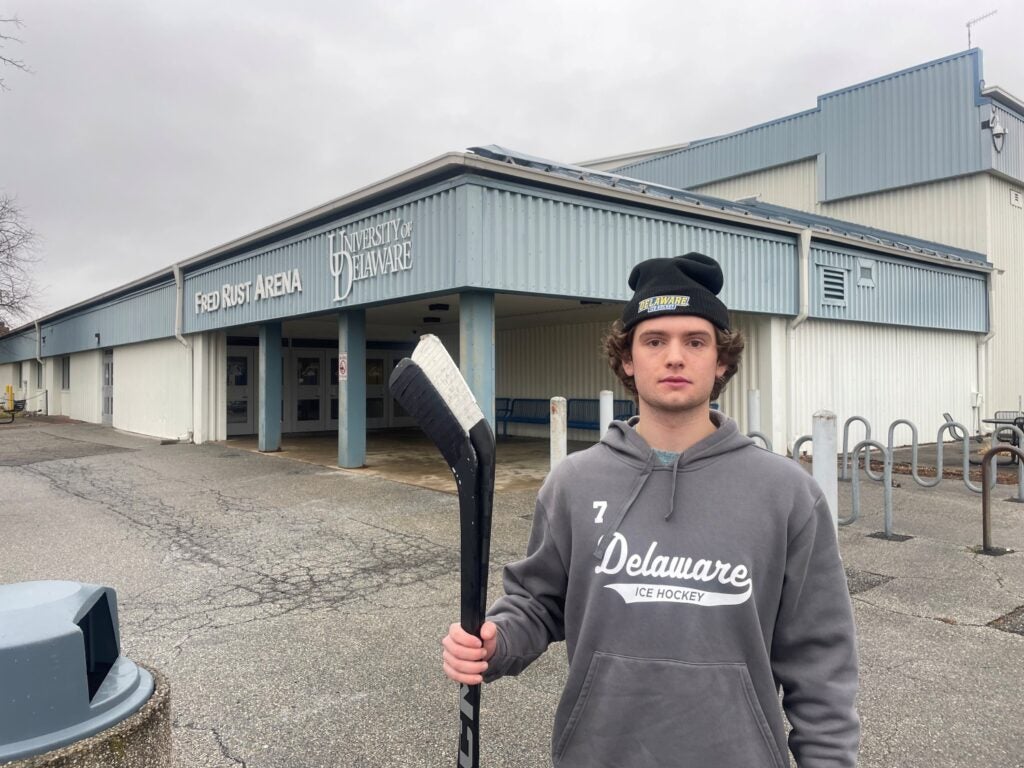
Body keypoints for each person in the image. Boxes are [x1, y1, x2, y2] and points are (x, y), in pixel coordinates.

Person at [442, 253, 860, 767]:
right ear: (627, 360)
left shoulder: (787, 494)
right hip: (599, 755)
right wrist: (496, 639)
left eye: (696, 341)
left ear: (721, 360)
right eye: (655, 341)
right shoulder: (574, 482)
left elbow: (820, 662)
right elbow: (538, 601)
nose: (675, 357)